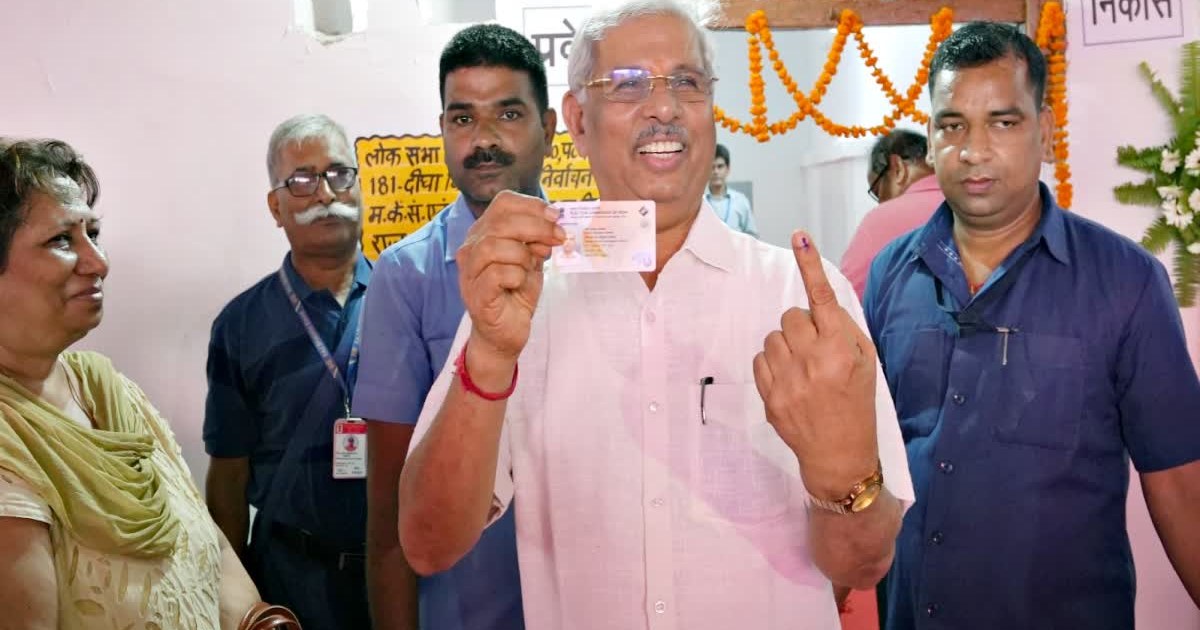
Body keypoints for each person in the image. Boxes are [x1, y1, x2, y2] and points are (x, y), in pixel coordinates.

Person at [397, 2, 914, 629]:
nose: (664, 106)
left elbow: (862, 566)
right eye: (629, 85)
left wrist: (843, 481)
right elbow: (428, 545)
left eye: (687, 82)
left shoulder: (802, 299)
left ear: (712, 112)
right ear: (578, 122)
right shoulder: (524, 302)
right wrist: (489, 353)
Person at [864, 22, 1200, 630]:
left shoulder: (1125, 281)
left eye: (1003, 121)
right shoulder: (891, 274)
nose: (973, 151)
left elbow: (1181, 485)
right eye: (952, 125)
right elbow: (872, 455)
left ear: (1044, 133)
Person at [0, 138, 267, 629]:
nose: (97, 261)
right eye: (62, 240)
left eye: (93, 233)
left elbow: (207, 544)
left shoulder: (111, 392)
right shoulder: (8, 448)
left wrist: (261, 622)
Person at [353, 24, 555, 630]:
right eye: (462, 118)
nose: (483, 140)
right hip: (466, 611)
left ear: (548, 128)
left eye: (508, 114)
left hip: (591, 600)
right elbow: (388, 510)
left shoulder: (600, 254)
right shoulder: (405, 275)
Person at [204, 114, 372, 629]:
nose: (325, 193)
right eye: (301, 180)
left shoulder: (410, 301)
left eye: (339, 173)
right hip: (291, 581)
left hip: (400, 572)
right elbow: (229, 476)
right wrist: (237, 604)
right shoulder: (241, 325)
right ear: (275, 207)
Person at [840, 129, 941, 299]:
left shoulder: (880, 220)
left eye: (877, 191)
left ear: (898, 167)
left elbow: (847, 299)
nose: (880, 201)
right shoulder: (976, 204)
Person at [705, 143, 758, 237]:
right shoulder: (698, 202)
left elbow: (752, 236)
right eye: (712, 167)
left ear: (728, 169)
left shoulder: (740, 200)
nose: (716, 171)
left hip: (736, 251)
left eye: (720, 166)